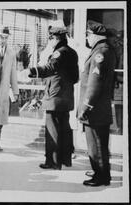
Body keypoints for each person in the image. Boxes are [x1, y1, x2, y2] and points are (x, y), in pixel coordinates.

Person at [29, 26, 79, 170]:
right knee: (64, 128)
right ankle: (65, 160)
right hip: (66, 97)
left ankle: (52, 162)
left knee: (53, 130)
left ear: (54, 38)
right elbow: (75, 78)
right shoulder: (72, 53)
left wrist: (31, 71)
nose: (49, 41)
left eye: (50, 38)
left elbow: (49, 69)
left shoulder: (58, 53)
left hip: (54, 98)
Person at [77, 20, 116, 187]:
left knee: (96, 145)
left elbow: (95, 83)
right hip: (99, 107)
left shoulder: (100, 52)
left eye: (88, 35)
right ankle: (100, 173)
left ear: (95, 36)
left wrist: (86, 106)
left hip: (95, 109)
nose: (87, 37)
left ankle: (101, 177)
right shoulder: (104, 50)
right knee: (98, 143)